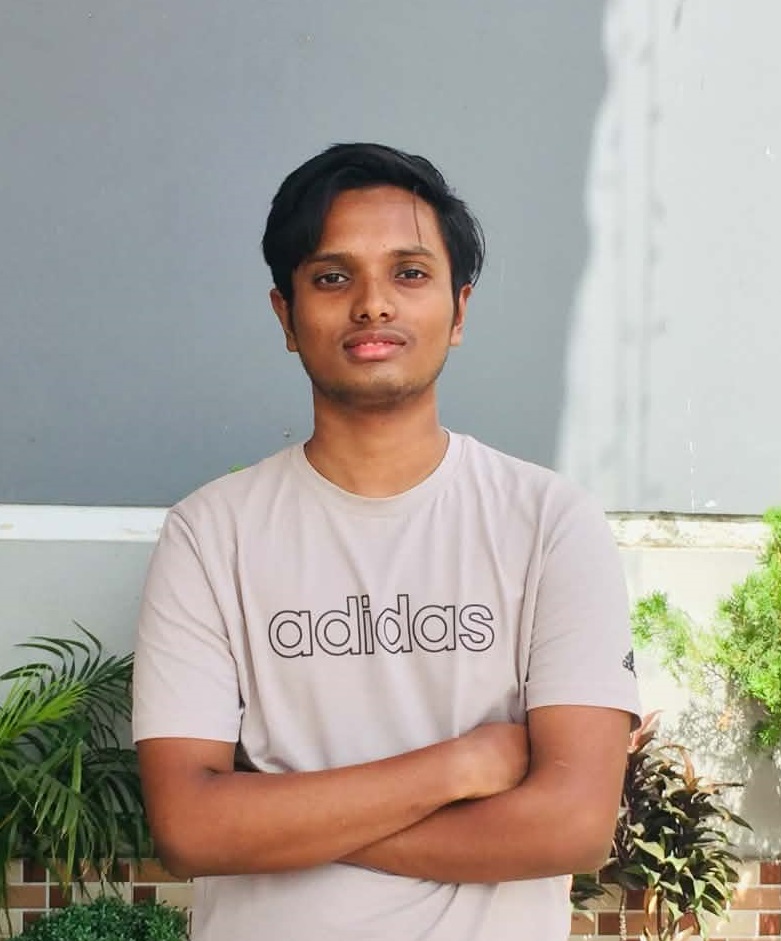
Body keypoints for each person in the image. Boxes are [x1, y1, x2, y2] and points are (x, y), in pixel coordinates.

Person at [132, 142, 641, 941]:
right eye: (332, 278)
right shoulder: (209, 533)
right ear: (285, 316)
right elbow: (190, 829)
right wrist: (457, 767)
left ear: (459, 310)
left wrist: (278, 819)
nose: (372, 304)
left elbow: (572, 827)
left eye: (408, 272)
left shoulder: (550, 522)